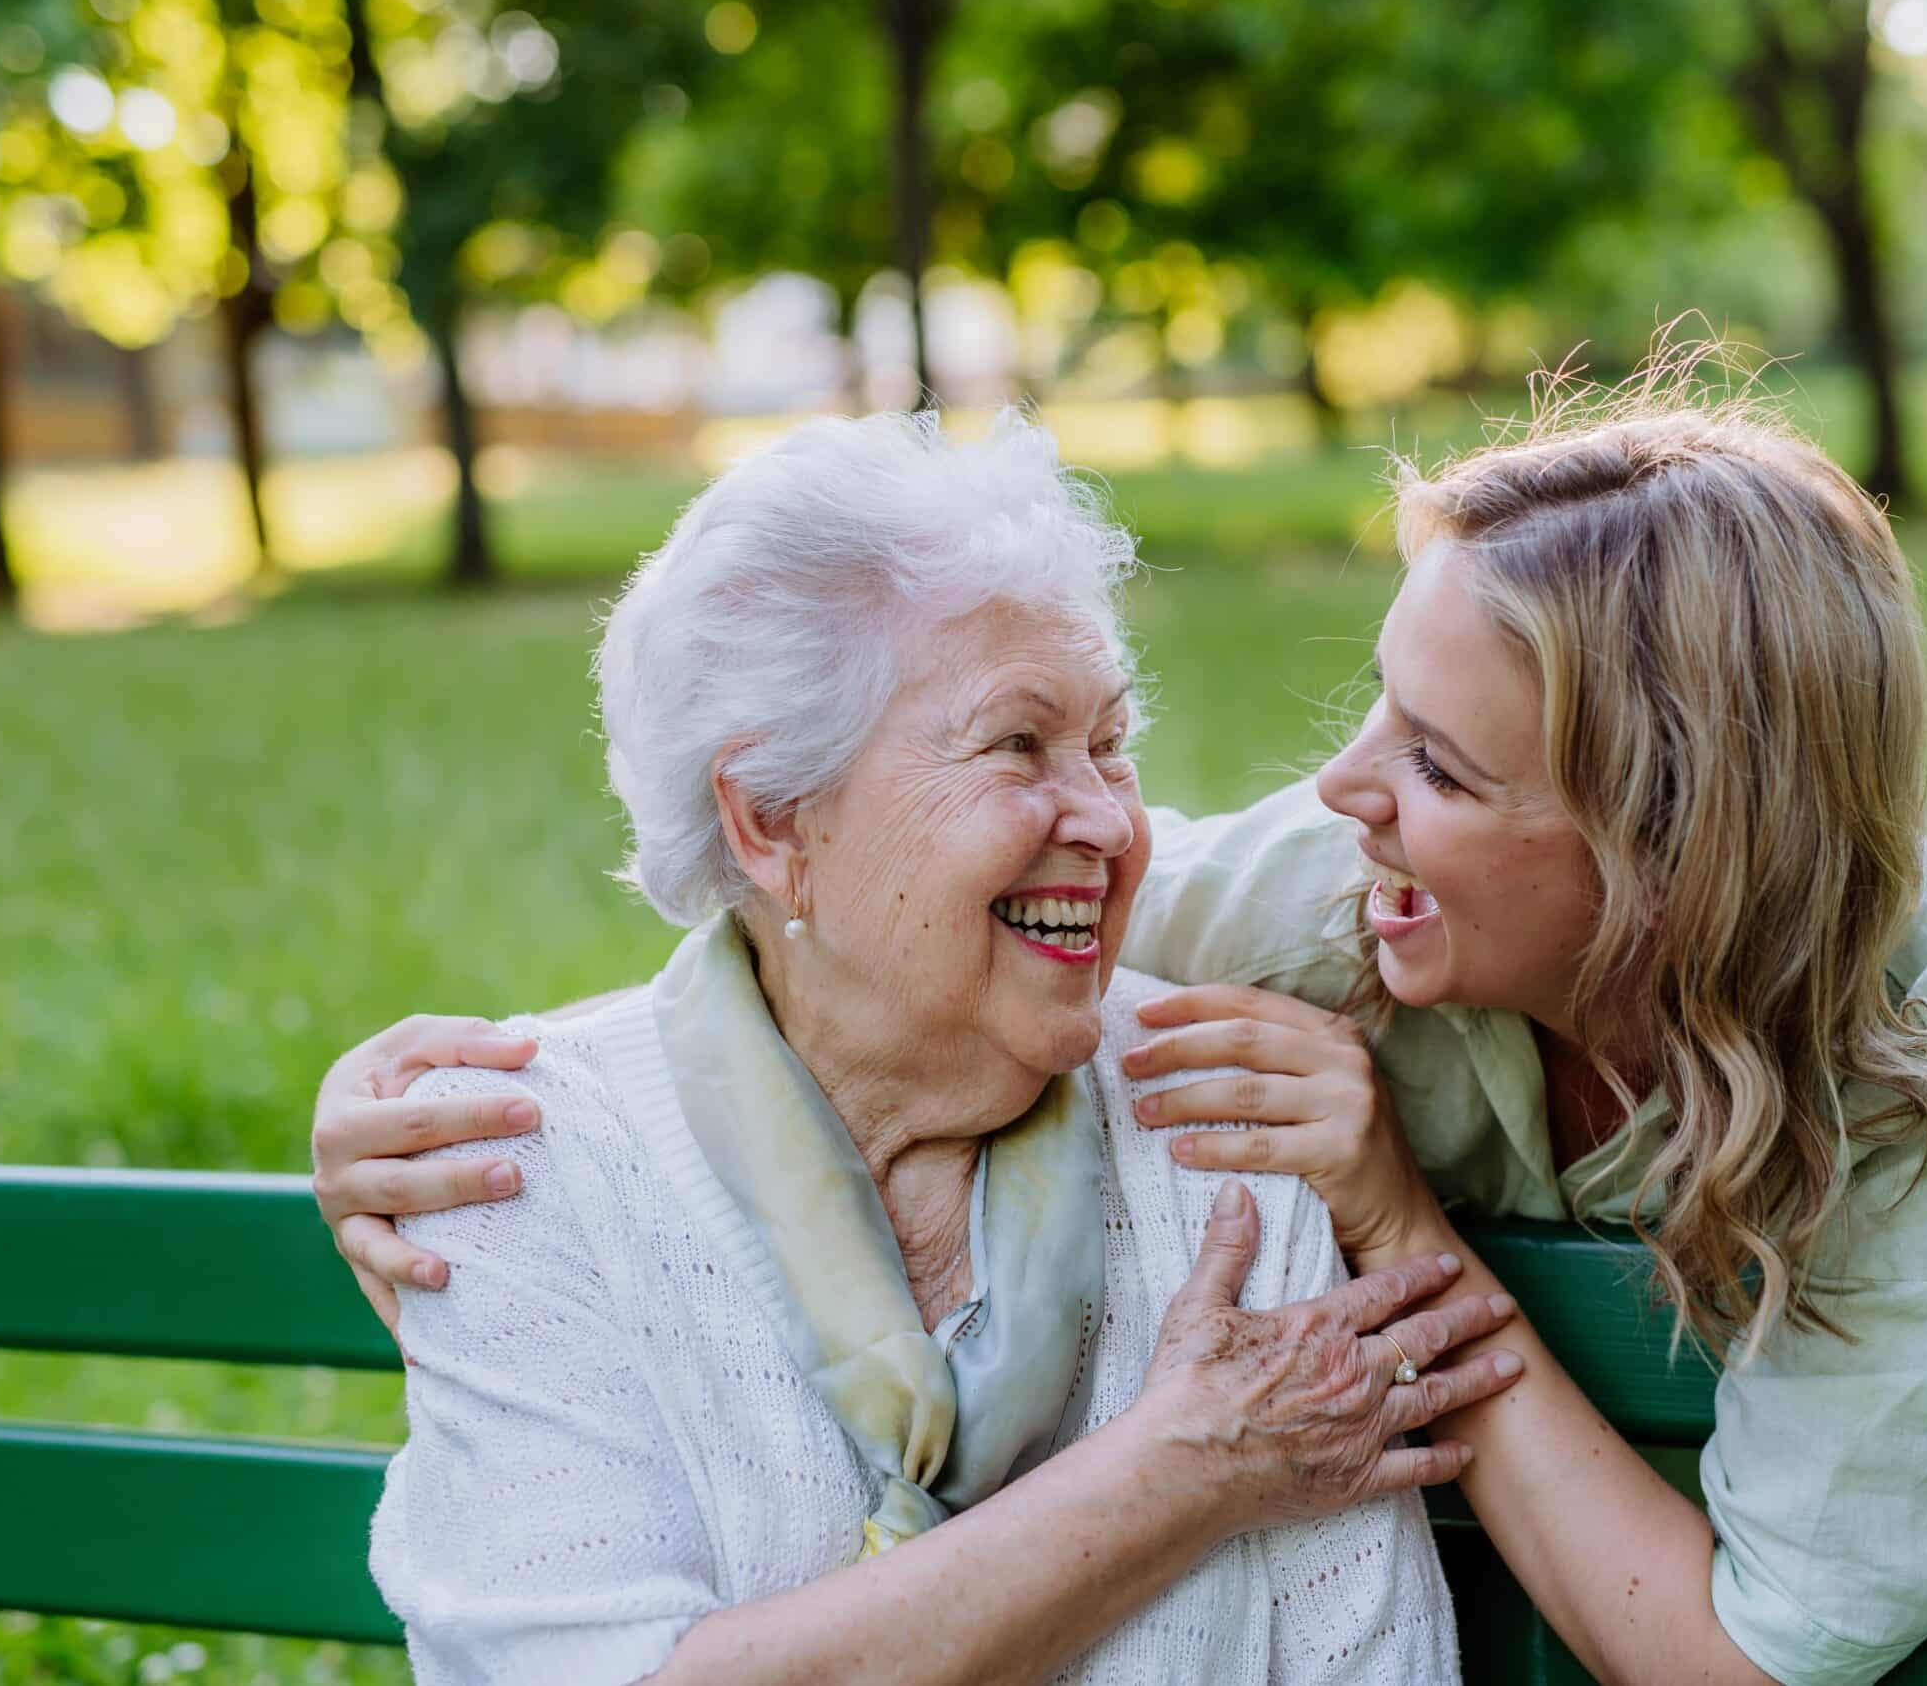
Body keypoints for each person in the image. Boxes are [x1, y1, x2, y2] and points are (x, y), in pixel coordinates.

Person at [318, 368, 1927, 1686]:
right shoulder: (1312, 906)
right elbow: (876, 924)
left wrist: (1394, 1228)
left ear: (1666, 851)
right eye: (1024, 744)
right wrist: (409, 1116)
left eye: (1437, 765)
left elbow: (1723, 1661)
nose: (1340, 788)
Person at [345, 412, 1519, 1685]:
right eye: (1018, 744)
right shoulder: (513, 1165)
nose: (1110, 821)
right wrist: (1185, 1468)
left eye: (1111, 745)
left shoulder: (1222, 1119)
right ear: (771, 819)